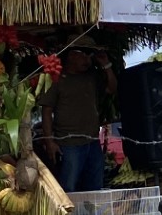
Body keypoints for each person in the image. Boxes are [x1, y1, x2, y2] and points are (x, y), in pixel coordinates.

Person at [38, 43, 118, 193]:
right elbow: (46, 111)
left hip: (92, 142)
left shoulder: (91, 77)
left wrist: (106, 65)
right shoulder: (57, 79)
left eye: (90, 55)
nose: (88, 59)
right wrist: (49, 141)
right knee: (68, 188)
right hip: (69, 144)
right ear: (71, 55)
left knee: (95, 188)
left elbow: (111, 89)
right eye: (84, 54)